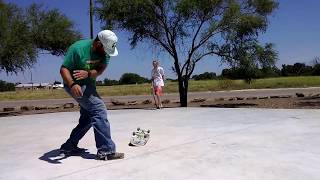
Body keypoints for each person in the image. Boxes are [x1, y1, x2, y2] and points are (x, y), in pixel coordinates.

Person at [59, 30, 124, 160]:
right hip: (74, 85)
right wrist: (72, 84)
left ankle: (69, 146)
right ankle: (106, 150)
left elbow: (101, 69)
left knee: (88, 117)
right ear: (98, 44)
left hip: (89, 85)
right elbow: (63, 69)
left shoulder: (107, 50)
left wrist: (89, 74)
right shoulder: (78, 48)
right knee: (99, 110)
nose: (107, 53)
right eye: (104, 49)